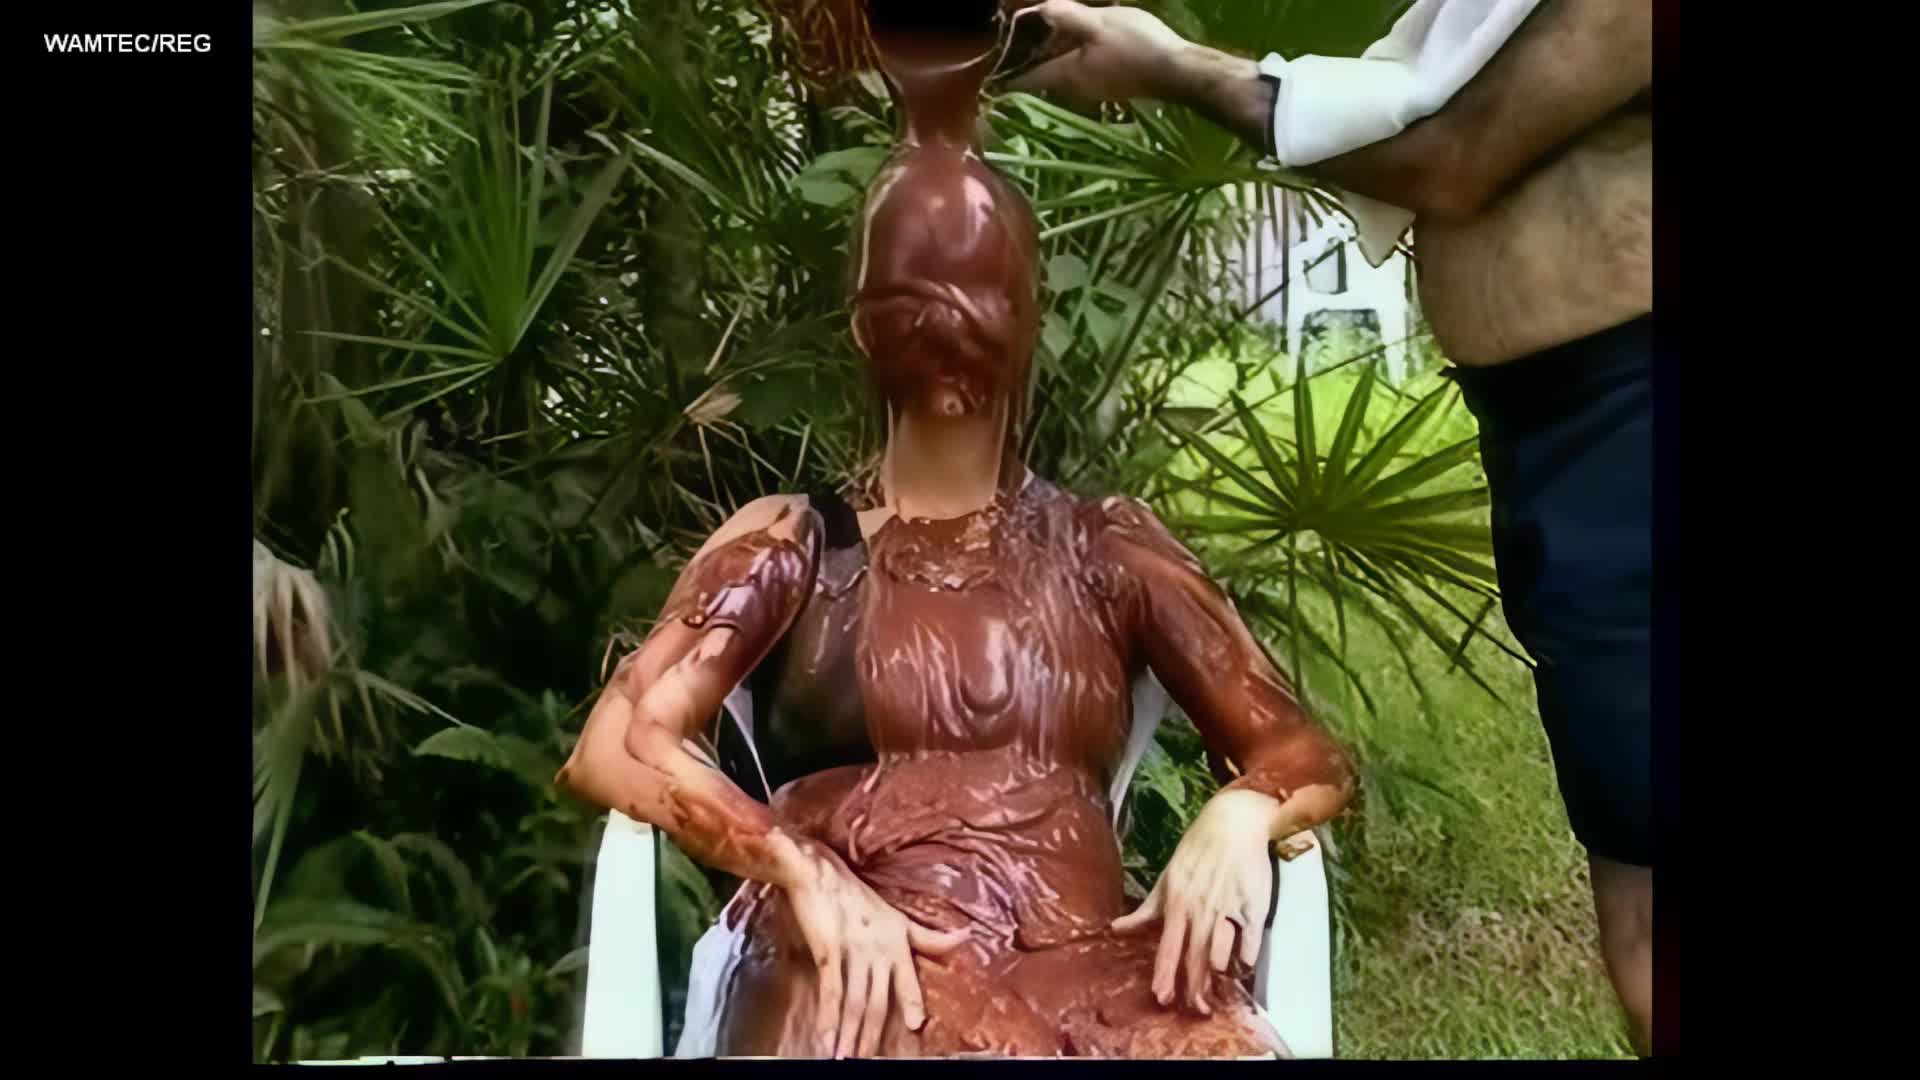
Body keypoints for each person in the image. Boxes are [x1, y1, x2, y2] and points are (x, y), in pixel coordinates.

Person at [558, 19, 1356, 1059]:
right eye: (914, 292)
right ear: (861, 320)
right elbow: (617, 744)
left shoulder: (1105, 548)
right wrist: (796, 865)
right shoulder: (798, 543)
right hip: (862, 960)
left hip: (1088, 966)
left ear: (1026, 312)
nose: (947, 318)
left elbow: (1299, 749)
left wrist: (1243, 812)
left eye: (976, 288)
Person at [1005, 0, 1655, 1055]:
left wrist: (1169, 67)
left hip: (1635, 418)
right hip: (1555, 432)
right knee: (1640, 883)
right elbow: (1418, 118)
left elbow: (1453, 155)